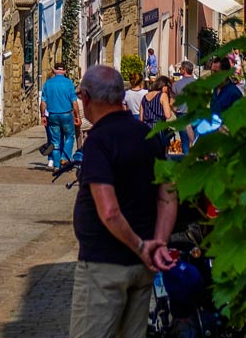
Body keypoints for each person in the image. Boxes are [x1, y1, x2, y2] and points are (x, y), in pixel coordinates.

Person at [70, 65, 179, 338]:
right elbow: (168, 193)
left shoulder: (99, 140)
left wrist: (142, 246)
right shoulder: (147, 135)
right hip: (141, 267)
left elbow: (108, 211)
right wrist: (159, 243)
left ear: (85, 98)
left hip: (104, 265)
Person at [40, 64, 79, 168]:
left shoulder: (48, 84)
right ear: (65, 71)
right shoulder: (69, 83)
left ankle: (56, 166)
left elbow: (43, 102)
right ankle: (64, 158)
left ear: (54, 70)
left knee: (55, 141)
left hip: (53, 115)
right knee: (70, 136)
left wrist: (43, 116)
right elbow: (74, 102)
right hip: (66, 113)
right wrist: (77, 116)